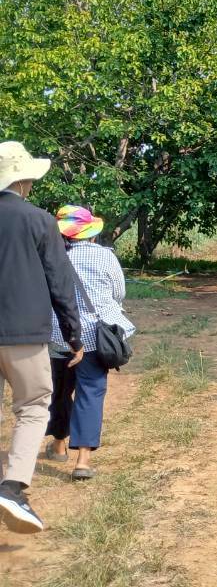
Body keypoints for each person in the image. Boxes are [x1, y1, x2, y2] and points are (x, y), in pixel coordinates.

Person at [0, 142, 83, 534]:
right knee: (34, 405)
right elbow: (60, 281)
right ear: (24, 179)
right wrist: (73, 334)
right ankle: (13, 487)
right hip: (22, 332)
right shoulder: (37, 220)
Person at [45, 205, 134, 480]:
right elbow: (119, 293)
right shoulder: (105, 257)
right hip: (96, 338)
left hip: (59, 337)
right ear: (91, 234)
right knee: (91, 393)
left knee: (59, 391)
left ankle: (59, 445)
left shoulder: (47, 258)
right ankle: (82, 461)